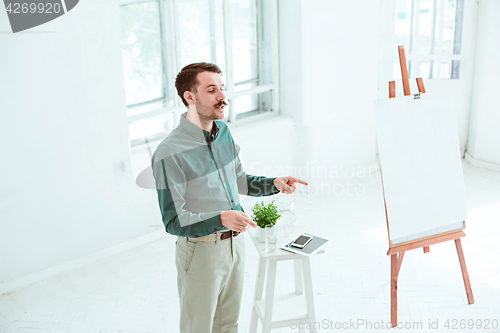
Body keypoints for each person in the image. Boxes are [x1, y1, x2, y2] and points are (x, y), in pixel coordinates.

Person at [151, 62, 307, 333]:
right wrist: (221, 218)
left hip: (236, 246)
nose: (222, 96)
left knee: (228, 326)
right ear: (190, 97)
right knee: (197, 327)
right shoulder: (169, 152)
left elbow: (238, 180)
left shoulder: (222, 132)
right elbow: (173, 221)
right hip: (201, 252)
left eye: (221, 88)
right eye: (211, 90)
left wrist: (274, 183)